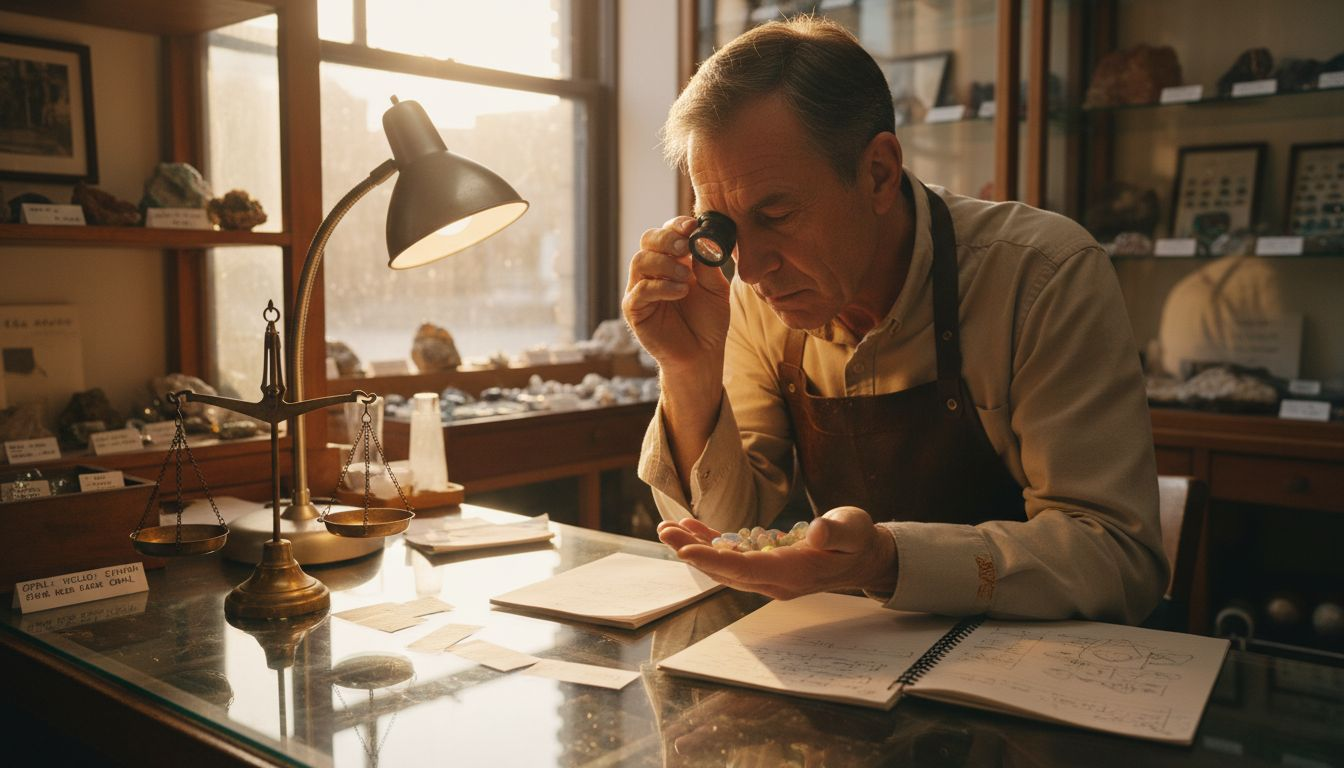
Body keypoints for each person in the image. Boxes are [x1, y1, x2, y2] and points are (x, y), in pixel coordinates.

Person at [622, 16, 1167, 623]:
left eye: (775, 214)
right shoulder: (753, 297)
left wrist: (887, 560)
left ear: (879, 172)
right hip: (852, 664)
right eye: (721, 227)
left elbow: (1119, 559)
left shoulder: (1040, 275)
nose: (750, 269)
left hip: (1031, 671)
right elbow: (723, 535)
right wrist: (688, 368)